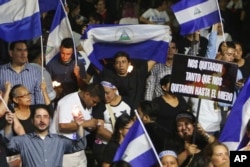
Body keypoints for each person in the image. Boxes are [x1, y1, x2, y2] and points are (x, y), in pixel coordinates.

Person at [5, 104, 87, 167]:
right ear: (32, 121)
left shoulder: (59, 141)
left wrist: (79, 126)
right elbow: (8, 144)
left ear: (49, 120)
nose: (42, 120)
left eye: (45, 116)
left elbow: (80, 145)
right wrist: (8, 124)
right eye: (38, 117)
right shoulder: (24, 140)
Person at [49, 82, 105, 167]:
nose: (95, 104)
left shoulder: (86, 103)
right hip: (65, 152)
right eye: (94, 101)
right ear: (87, 94)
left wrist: (93, 125)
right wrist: (86, 123)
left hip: (79, 149)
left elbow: (83, 125)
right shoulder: (68, 101)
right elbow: (63, 126)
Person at [92, 80, 131, 166]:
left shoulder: (128, 102)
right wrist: (118, 142)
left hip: (125, 146)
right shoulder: (99, 105)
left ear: (114, 89)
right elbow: (100, 130)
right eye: (102, 94)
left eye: (107, 93)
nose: (105, 96)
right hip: (105, 146)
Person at [46, 37, 87, 104]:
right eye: (62, 53)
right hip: (56, 100)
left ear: (73, 52)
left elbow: (84, 88)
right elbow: (47, 87)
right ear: (60, 49)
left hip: (73, 101)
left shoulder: (78, 64)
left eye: (68, 54)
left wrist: (78, 76)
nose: (65, 56)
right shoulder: (51, 64)